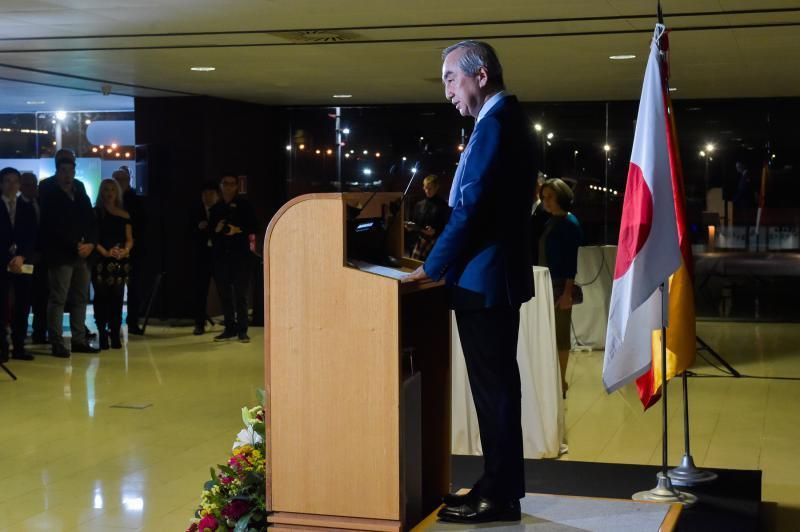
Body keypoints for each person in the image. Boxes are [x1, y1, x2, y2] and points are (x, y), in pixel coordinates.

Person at [402, 40, 535, 524]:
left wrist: (430, 267)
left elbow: (471, 210)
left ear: (481, 76)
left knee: (494, 391)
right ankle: (497, 486)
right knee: (496, 390)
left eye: (450, 79)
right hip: (489, 279)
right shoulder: (502, 121)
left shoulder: (496, 125)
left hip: (485, 282)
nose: (446, 92)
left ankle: (499, 496)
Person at [39, 153, 99, 356]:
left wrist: (90, 243)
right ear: (57, 172)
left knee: (81, 299)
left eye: (71, 171)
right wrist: (76, 245)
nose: (67, 175)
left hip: (83, 255)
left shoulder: (80, 192)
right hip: (61, 255)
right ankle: (57, 342)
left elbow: (91, 221)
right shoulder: (50, 193)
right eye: (64, 171)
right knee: (58, 298)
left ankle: (79, 340)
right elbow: (51, 226)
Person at [538, 178, 582, 398]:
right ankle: (554, 378)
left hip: (558, 287)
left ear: (561, 197)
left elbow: (571, 264)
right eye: (543, 197)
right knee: (551, 335)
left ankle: (561, 380)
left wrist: (567, 293)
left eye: (550, 197)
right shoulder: (552, 220)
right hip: (546, 284)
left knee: (561, 335)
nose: (545, 201)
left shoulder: (568, 223)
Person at [209, 174, 257, 343]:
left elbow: (254, 226)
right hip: (221, 257)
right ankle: (229, 328)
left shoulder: (245, 205)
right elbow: (210, 234)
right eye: (225, 184)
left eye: (231, 184)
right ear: (221, 186)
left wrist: (238, 229)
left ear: (237, 186)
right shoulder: (216, 208)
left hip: (241, 256)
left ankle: (242, 330)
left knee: (240, 294)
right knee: (225, 295)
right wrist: (217, 229)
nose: (228, 187)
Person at [0, 168, 38, 362]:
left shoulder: (26, 207)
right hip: (2, 262)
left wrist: (21, 256)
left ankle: (19, 346)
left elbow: (32, 236)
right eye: (7, 181)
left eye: (15, 181)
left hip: (23, 262)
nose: (12, 185)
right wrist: (8, 259)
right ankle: (2, 348)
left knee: (23, 305)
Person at [92, 179, 133, 349]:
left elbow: (129, 239)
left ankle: (115, 333)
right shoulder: (95, 213)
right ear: (101, 192)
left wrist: (125, 250)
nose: (109, 193)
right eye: (106, 190)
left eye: (112, 190)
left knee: (117, 298)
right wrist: (105, 252)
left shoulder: (124, 214)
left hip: (119, 261)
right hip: (100, 260)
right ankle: (102, 333)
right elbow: (92, 238)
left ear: (117, 193)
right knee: (101, 298)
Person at [113, 167, 146, 335]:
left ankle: (132, 321)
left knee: (134, 288)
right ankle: (115, 322)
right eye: (117, 179)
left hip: (134, 250)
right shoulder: (111, 200)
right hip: (114, 250)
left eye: (123, 179)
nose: (120, 182)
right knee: (115, 289)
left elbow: (141, 226)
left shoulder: (136, 201)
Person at [19, 171, 48, 344]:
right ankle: (21, 336)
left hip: (42, 259)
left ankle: (39, 333)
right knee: (24, 299)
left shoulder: (41, 203)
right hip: (25, 259)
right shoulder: (17, 205)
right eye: (27, 184)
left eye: (33, 184)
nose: (31, 188)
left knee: (42, 297)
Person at [192, 181, 219, 335]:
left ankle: (231, 322)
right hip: (201, 257)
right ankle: (199, 324)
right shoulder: (195, 210)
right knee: (200, 292)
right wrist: (198, 227)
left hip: (218, 256)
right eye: (205, 194)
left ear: (216, 195)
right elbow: (187, 231)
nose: (208, 197)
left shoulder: (221, 210)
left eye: (211, 194)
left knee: (224, 290)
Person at [406, 174, 450, 260]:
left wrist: (435, 231)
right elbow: (415, 222)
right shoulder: (419, 205)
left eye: (430, 188)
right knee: (414, 264)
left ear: (437, 187)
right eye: (425, 188)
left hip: (435, 241)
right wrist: (410, 227)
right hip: (419, 240)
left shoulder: (443, 206)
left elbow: (446, 226)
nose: (427, 191)